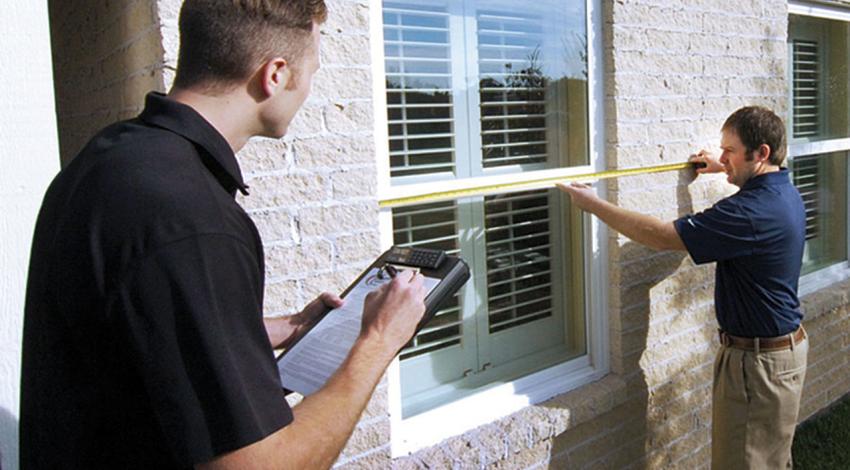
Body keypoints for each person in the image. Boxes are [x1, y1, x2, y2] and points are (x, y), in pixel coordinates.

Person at [20, 1, 426, 468]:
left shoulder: (111, 157)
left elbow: (144, 336)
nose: (311, 86)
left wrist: (286, 328)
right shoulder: (193, 220)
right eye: (311, 69)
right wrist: (377, 341)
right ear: (274, 75)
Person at [558, 106, 808, 469]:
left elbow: (660, 237)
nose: (722, 157)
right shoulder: (783, 190)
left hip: (757, 367)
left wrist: (594, 204)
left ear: (762, 153)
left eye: (730, 151)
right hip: (779, 354)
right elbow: (756, 184)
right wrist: (727, 167)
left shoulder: (750, 212)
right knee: (769, 459)